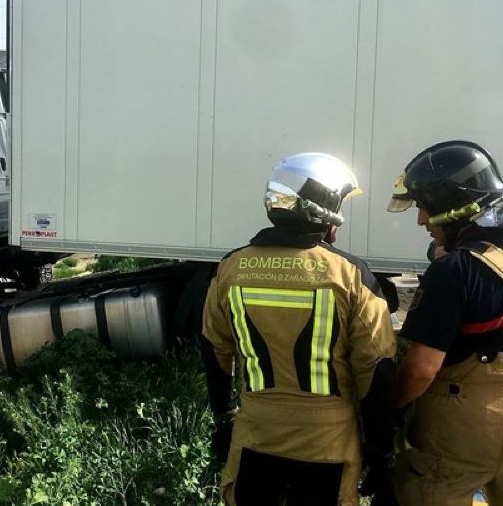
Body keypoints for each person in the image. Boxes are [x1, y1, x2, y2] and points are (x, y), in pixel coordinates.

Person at [202, 152, 398, 506]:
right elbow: (377, 370)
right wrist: (381, 450)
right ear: (325, 213)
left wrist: (223, 417)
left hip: (255, 436)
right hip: (327, 444)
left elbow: (214, 348)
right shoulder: (351, 275)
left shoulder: (231, 268)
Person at [387, 140, 503, 505]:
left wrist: (387, 408)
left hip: (461, 431)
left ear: (451, 208)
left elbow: (422, 369)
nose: (421, 220)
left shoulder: (454, 271)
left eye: (423, 208)